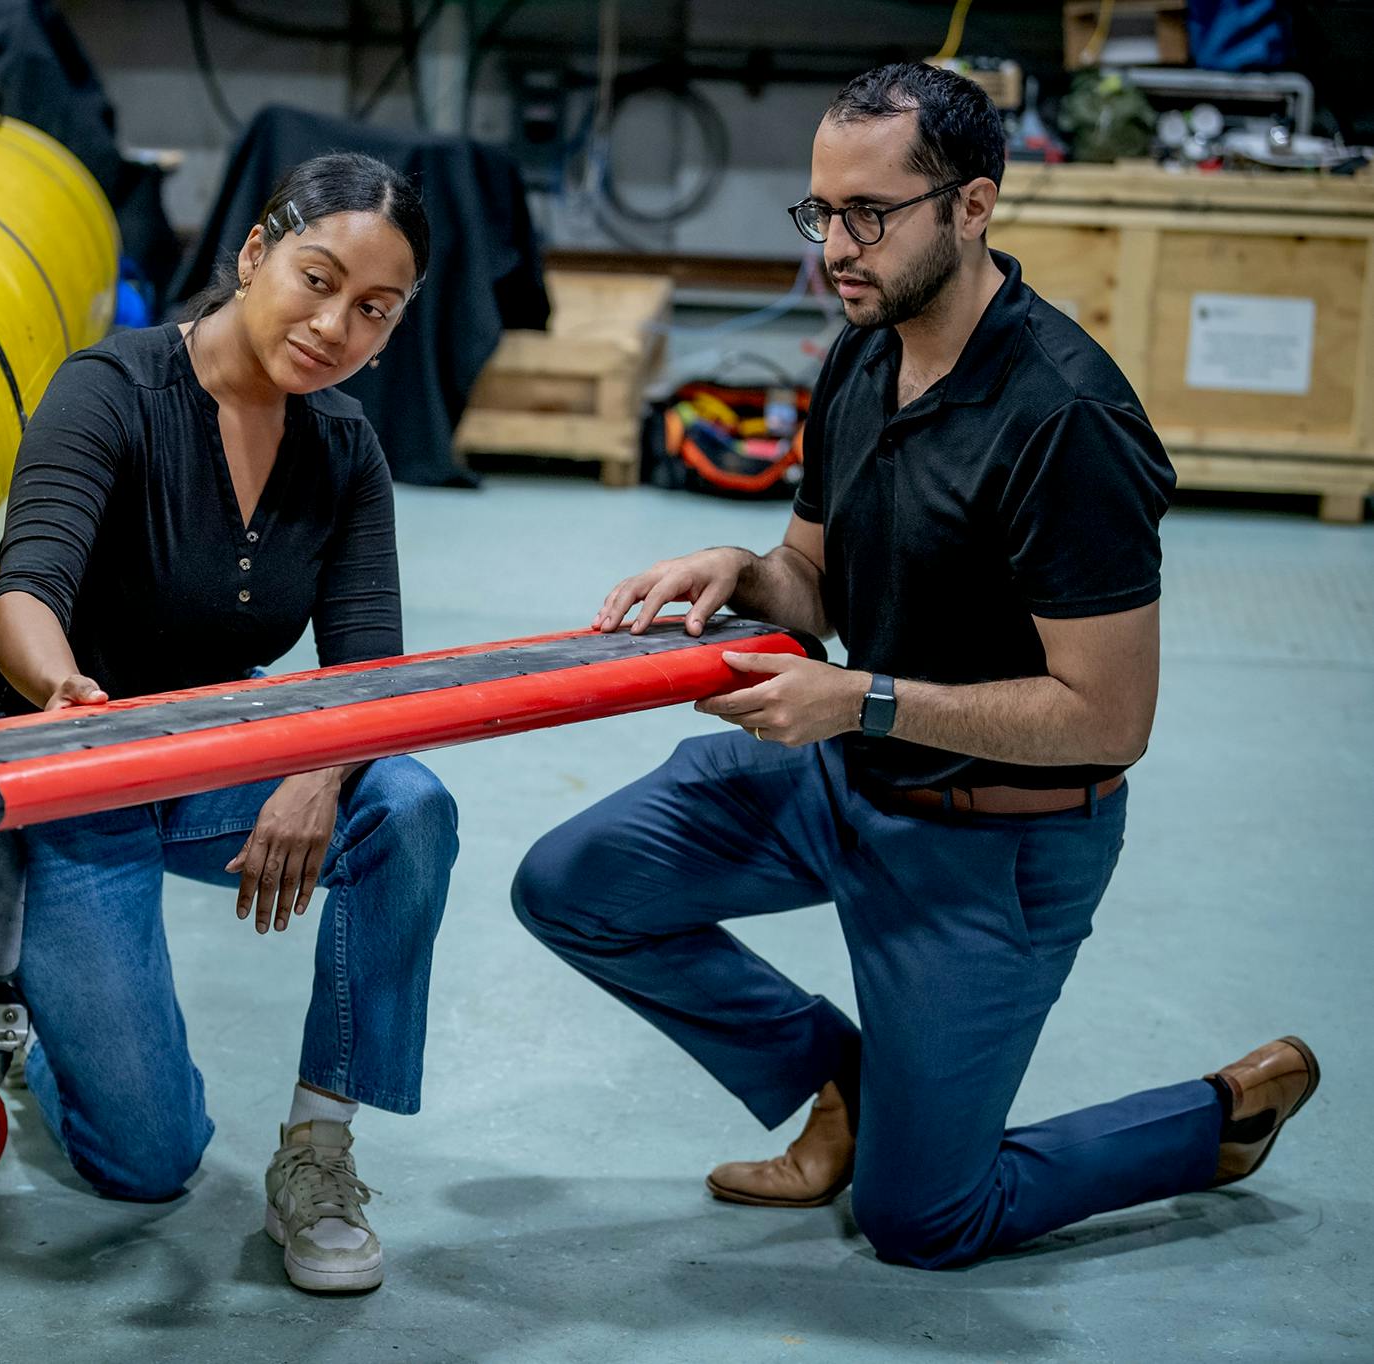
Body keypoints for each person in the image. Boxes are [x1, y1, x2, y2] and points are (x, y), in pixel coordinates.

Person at [509, 63, 1318, 1271]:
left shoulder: (1065, 420)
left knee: (922, 1219)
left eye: (869, 215)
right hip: (850, 778)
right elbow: (815, 578)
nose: (835, 246)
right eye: (820, 212)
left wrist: (861, 696)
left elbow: (1110, 714)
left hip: (994, 843)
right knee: (571, 882)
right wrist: (738, 567)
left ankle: (1215, 1118)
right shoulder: (861, 350)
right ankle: (838, 1080)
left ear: (973, 205)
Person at [0, 152, 458, 1294]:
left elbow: (367, 670)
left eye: (374, 310)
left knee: (409, 804)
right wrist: (59, 689)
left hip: (211, 761)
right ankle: (32, 1032)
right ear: (253, 253)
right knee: (147, 1162)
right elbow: (27, 584)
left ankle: (318, 1150)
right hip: (76, 779)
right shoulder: (112, 389)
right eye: (317, 278)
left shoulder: (342, 451)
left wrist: (319, 770)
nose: (336, 325)